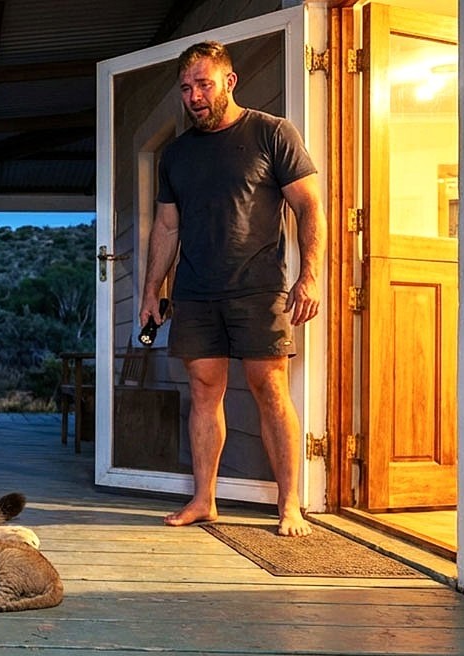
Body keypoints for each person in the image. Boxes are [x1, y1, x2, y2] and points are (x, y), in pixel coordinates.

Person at [138, 41, 327, 537]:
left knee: (269, 389)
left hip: (259, 289)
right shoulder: (176, 156)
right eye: (185, 88)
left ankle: (290, 506)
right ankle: (204, 500)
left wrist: (310, 274)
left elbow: (308, 207)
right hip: (196, 293)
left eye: (203, 84)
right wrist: (149, 292)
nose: (194, 96)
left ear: (229, 81)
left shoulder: (271, 134)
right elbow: (166, 228)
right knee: (204, 390)